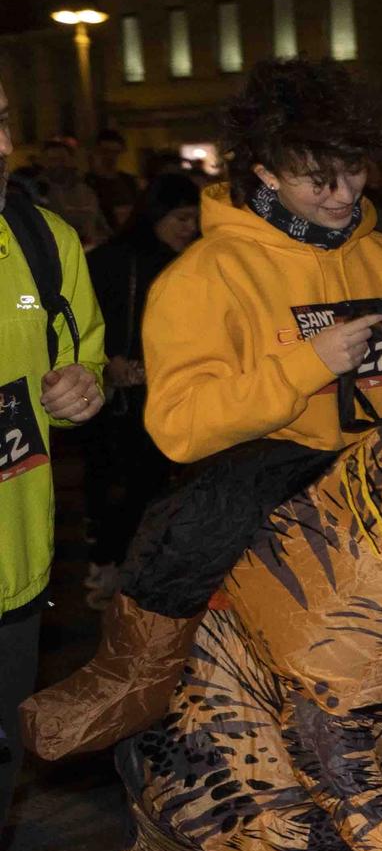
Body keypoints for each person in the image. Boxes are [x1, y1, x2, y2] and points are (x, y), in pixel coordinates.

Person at [23, 57, 382, 762]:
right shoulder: (204, 275)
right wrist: (310, 363)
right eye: (320, 176)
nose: (344, 192)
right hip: (255, 504)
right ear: (266, 173)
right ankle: (128, 677)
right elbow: (180, 427)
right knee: (190, 533)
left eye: (354, 170)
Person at [0, 77, 106, 839]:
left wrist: (83, 386)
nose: (5, 148)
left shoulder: (45, 240)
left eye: (2, 122)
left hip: (16, 570)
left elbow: (82, 359)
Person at [81, 172, 201, 606]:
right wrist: (108, 361)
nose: (189, 228)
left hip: (173, 392)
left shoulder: (195, 260)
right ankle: (110, 566)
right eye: (181, 218)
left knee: (151, 485)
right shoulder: (113, 260)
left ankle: (133, 571)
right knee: (125, 484)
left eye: (195, 219)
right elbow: (80, 319)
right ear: (156, 214)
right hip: (123, 398)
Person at [26, 136, 110, 248]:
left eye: (61, 159)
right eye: (51, 159)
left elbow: (101, 226)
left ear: (71, 160)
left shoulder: (87, 192)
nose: (56, 164)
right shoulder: (35, 192)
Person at [86, 128, 144, 231]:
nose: (110, 157)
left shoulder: (129, 181)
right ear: (96, 151)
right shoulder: (87, 182)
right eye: (105, 151)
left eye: (115, 152)